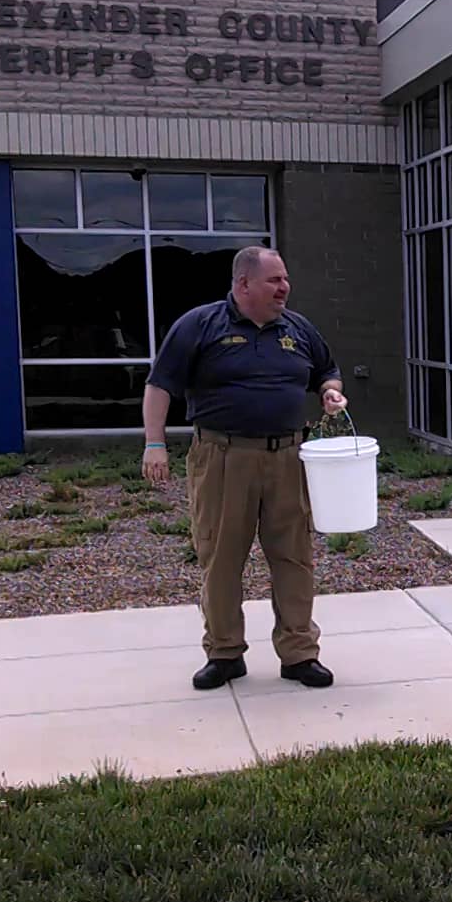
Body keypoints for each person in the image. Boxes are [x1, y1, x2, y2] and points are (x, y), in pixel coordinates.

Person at [142, 246, 348, 691]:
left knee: (294, 557)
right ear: (243, 284)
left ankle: (299, 654)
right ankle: (224, 653)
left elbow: (327, 370)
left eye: (286, 279)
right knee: (220, 558)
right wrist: (154, 443)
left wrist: (331, 392)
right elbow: (160, 385)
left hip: (289, 458)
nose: (284, 288)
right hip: (222, 458)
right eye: (274, 280)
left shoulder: (298, 328)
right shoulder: (200, 325)